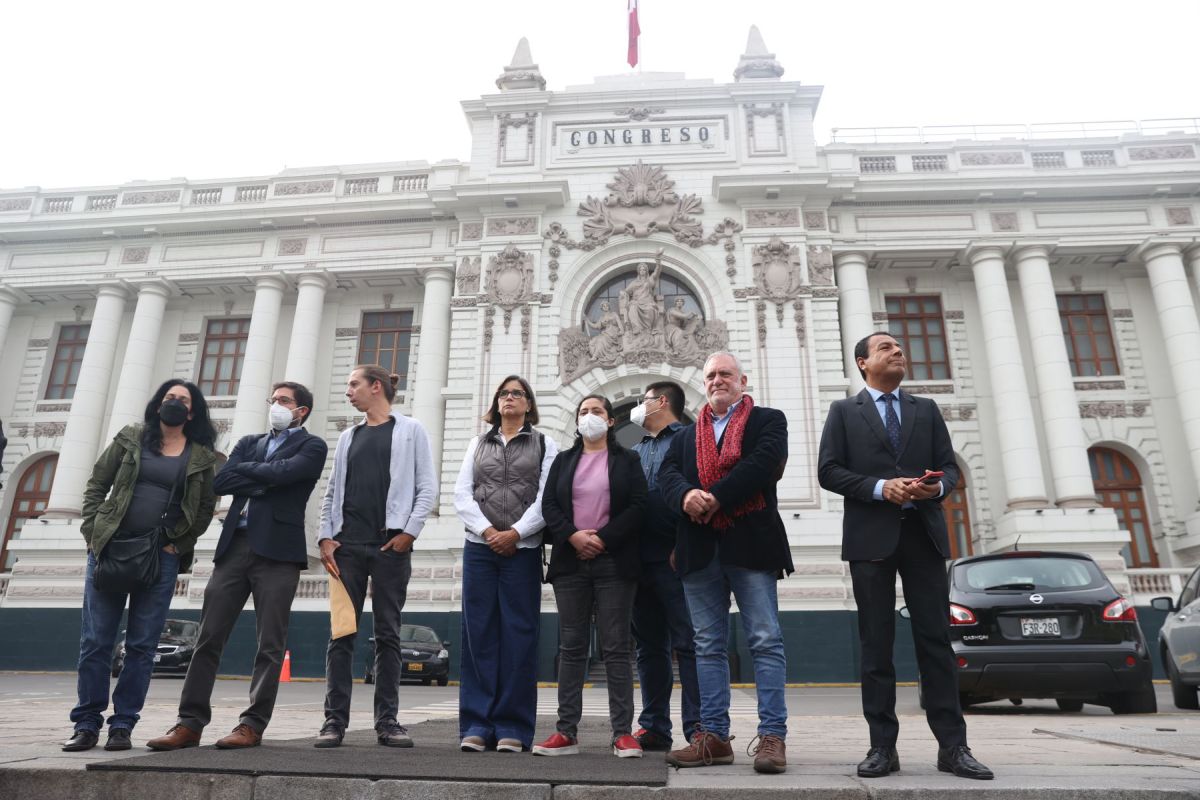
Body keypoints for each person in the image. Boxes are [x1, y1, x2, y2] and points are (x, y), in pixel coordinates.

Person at [817, 332, 993, 781]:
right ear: (863, 363)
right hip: (870, 542)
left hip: (924, 536)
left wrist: (938, 487)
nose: (897, 352)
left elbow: (949, 468)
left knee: (935, 643)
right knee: (875, 645)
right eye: (886, 348)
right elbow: (829, 471)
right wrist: (880, 488)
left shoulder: (926, 410)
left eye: (899, 348)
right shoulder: (843, 412)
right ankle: (882, 748)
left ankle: (953, 747)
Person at [146, 381, 328, 751]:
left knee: (270, 643)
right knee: (208, 638)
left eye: (283, 401)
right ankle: (189, 723)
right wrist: (266, 475)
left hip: (278, 552)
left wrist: (254, 476)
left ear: (301, 410)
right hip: (234, 549)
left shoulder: (313, 445)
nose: (275, 405)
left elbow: (290, 474)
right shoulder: (249, 442)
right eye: (272, 399)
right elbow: (223, 480)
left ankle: (251, 725)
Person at [63, 379, 218, 752]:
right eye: (169, 398)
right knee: (96, 642)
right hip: (110, 549)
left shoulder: (201, 456)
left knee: (142, 647)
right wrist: (92, 531)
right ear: (157, 403)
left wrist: (175, 545)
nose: (175, 404)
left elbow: (203, 511)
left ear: (193, 411)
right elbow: (97, 485)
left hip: (158, 559)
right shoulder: (132, 436)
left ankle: (123, 724)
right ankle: (86, 723)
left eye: (182, 400)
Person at [657, 352, 791, 774]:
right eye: (711, 375)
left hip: (751, 545)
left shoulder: (768, 421)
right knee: (706, 647)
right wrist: (684, 496)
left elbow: (762, 465)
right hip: (699, 550)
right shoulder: (683, 436)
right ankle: (713, 737)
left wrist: (715, 497)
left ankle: (773, 737)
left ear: (742, 380)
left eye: (725, 374)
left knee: (765, 641)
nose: (717, 380)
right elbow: (667, 476)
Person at [314, 365, 437, 749]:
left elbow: (427, 487)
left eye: (354, 384)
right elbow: (332, 491)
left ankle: (388, 722)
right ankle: (333, 722)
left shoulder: (411, 430)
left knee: (388, 635)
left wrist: (408, 532)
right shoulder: (348, 436)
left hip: (389, 547)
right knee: (341, 634)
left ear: (375, 387)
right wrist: (325, 537)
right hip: (346, 548)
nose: (348, 391)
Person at [534, 394, 647, 758]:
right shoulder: (564, 461)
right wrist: (573, 535)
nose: (589, 417)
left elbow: (638, 506)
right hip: (570, 563)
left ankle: (622, 733)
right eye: (584, 412)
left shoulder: (627, 459)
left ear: (611, 421)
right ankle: (566, 732)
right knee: (571, 648)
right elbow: (549, 504)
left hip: (614, 562)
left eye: (597, 411)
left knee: (616, 648)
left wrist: (602, 538)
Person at [453, 375, 558, 753]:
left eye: (518, 393)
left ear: (529, 404)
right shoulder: (477, 444)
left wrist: (514, 533)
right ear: (496, 402)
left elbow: (548, 498)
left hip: (523, 549)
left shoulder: (546, 444)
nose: (510, 398)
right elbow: (461, 495)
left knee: (519, 635)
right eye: (504, 393)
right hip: (479, 548)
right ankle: (477, 725)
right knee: (478, 634)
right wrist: (487, 532)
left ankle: (513, 725)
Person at [629, 381, 700, 752]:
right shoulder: (633, 451)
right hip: (640, 561)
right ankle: (654, 726)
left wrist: (683, 543)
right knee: (648, 647)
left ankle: (699, 729)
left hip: (678, 558)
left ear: (660, 402)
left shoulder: (690, 440)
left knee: (690, 643)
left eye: (643, 401)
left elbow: (697, 491)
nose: (638, 408)